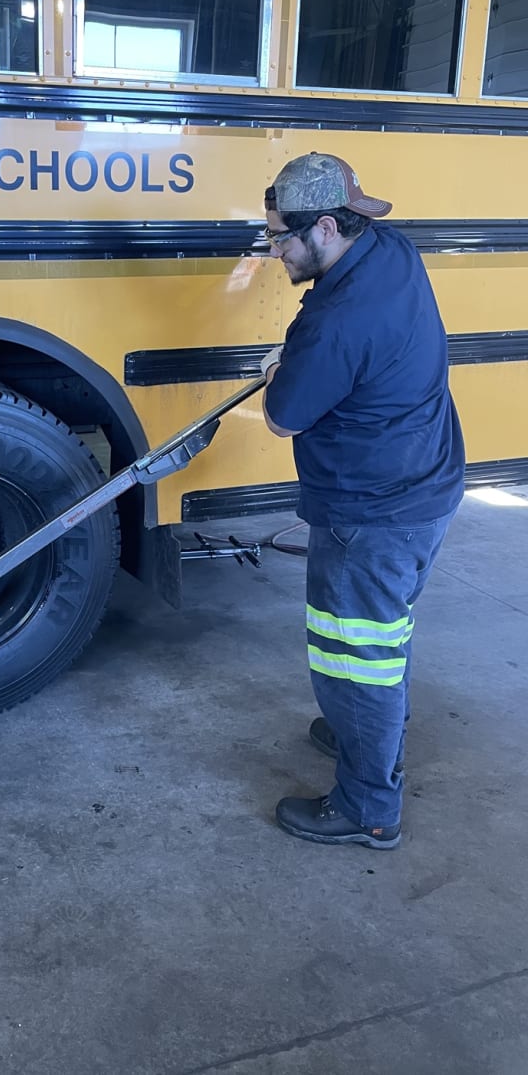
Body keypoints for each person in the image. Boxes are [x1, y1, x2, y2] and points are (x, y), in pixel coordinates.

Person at [259, 152, 465, 849]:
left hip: (372, 513)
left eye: (280, 239)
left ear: (323, 226)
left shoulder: (332, 321)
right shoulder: (391, 250)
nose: (273, 252)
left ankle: (367, 805)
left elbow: (284, 416)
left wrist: (281, 371)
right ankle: (362, 727)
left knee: (355, 656)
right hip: (428, 484)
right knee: (385, 635)